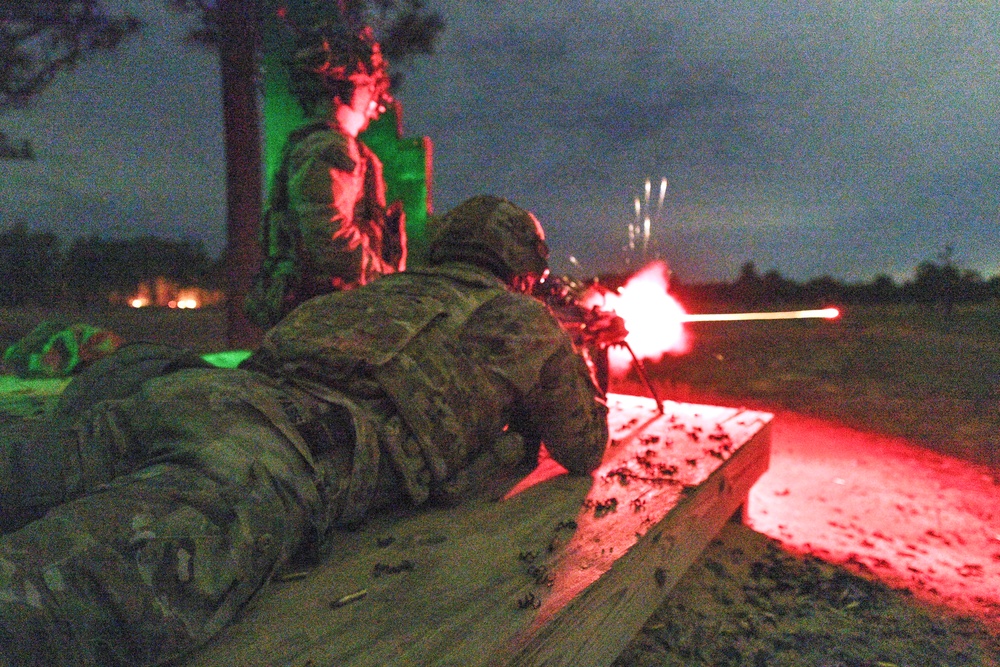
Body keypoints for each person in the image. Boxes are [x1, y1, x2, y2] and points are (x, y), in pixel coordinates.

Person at [0, 195, 609, 667]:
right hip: (272, 455)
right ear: (526, 270)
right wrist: (576, 353)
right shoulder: (525, 321)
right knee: (45, 603)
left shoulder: (380, 291)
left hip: (191, 393)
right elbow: (583, 447)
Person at [245, 25, 407, 328]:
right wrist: (384, 278)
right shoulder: (331, 146)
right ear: (348, 88)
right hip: (327, 315)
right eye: (369, 86)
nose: (375, 100)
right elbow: (329, 235)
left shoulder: (313, 143)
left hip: (319, 311)